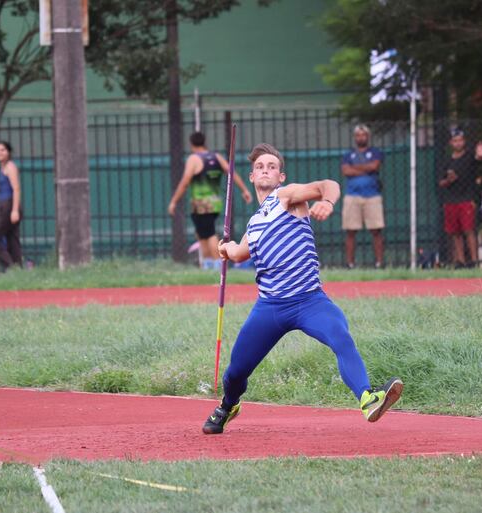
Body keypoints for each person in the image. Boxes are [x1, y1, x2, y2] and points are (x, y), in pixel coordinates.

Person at [202, 143, 403, 435]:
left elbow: (327, 184)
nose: (266, 170)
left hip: (310, 301)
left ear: (281, 176)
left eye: (272, 166)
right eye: (260, 167)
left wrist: (328, 201)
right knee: (235, 372)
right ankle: (228, 405)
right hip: (270, 307)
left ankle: (368, 398)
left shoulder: (287, 197)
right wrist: (225, 248)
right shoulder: (255, 223)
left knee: (341, 337)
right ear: (251, 177)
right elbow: (239, 252)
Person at [168, 131, 253, 269]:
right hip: (214, 204)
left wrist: (174, 201)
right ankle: (208, 265)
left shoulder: (194, 159)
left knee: (209, 234)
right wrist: (245, 190)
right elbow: (231, 172)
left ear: (191, 144)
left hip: (201, 205)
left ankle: (218, 264)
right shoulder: (217, 157)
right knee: (202, 234)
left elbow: (185, 182)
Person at [438, 127, 482, 268]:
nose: (458, 143)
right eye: (455, 141)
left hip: (467, 198)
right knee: (455, 233)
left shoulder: (469, 156)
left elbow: (479, 158)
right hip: (451, 200)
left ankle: (474, 261)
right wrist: (449, 180)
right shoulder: (446, 161)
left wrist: (481, 154)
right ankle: (460, 261)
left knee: (469, 230)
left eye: (460, 140)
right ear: (451, 143)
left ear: (464, 141)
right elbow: (441, 182)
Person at [341, 124, 385, 269]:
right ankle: (350, 264)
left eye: (363, 135)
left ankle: (379, 263)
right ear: (355, 138)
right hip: (352, 195)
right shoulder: (348, 154)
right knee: (351, 231)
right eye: (358, 135)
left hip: (372, 195)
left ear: (368, 136)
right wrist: (366, 168)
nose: (361, 137)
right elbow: (346, 171)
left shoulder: (375, 152)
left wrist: (356, 168)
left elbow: (375, 166)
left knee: (376, 230)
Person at [0, 141, 23, 269]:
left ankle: (11, 267)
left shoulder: (10, 167)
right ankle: (18, 271)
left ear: (8, 152)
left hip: (9, 206)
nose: (0, 153)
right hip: (4, 204)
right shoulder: (1, 168)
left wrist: (15, 210)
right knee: (12, 240)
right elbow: (5, 186)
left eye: (3, 150)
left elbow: (16, 188)